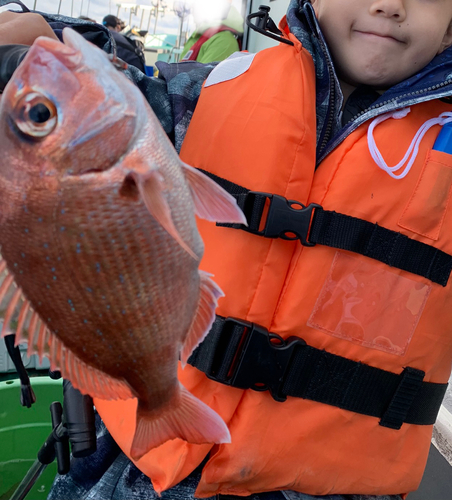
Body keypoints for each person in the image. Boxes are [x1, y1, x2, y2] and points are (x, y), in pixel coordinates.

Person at [1, 1, 452, 499]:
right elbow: (111, 75)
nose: (388, 4)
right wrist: (48, 39)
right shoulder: (196, 96)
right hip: (128, 470)